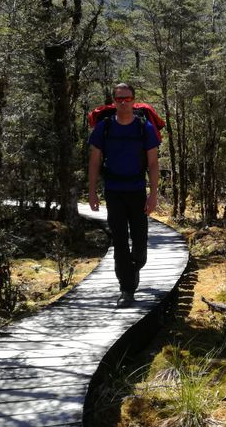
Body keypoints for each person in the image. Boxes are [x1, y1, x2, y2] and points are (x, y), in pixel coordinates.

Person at [88, 83, 160, 307]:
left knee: (140, 246)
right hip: (114, 191)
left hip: (137, 191)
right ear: (113, 100)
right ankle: (126, 290)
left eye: (127, 98)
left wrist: (153, 194)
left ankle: (134, 267)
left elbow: (153, 162)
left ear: (133, 99)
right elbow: (94, 161)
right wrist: (91, 192)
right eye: (119, 99)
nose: (123, 102)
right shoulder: (105, 127)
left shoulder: (144, 127)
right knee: (119, 242)